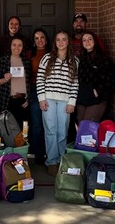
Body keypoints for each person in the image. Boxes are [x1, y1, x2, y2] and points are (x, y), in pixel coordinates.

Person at [36, 30, 79, 176]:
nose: (61, 42)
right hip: (48, 99)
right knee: (50, 130)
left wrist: (72, 102)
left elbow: (75, 84)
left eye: (64, 39)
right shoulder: (47, 58)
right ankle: (52, 161)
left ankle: (62, 159)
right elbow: (40, 79)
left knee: (62, 131)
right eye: (58, 40)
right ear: (55, 43)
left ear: (68, 42)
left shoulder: (75, 60)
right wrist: (41, 98)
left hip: (65, 101)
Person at [77, 31, 115, 122]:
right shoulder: (81, 59)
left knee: (88, 126)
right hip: (82, 99)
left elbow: (112, 81)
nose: (87, 42)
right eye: (84, 40)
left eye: (90, 39)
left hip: (97, 100)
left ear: (95, 41)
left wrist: (98, 91)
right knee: (80, 126)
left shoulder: (103, 59)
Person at [0, 36, 31, 127]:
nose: (16, 48)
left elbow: (28, 83)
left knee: (24, 129)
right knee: (7, 129)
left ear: (23, 47)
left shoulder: (26, 62)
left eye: (19, 45)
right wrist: (5, 79)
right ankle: (10, 142)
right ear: (10, 46)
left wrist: (28, 98)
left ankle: (23, 142)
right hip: (7, 100)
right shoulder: (3, 60)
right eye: (14, 45)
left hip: (23, 101)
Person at [29, 28, 51, 164]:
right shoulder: (30, 55)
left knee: (50, 124)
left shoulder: (52, 54)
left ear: (46, 40)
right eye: (36, 38)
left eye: (42, 37)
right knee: (37, 123)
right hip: (34, 90)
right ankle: (38, 153)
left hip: (50, 90)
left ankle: (51, 152)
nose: (40, 41)